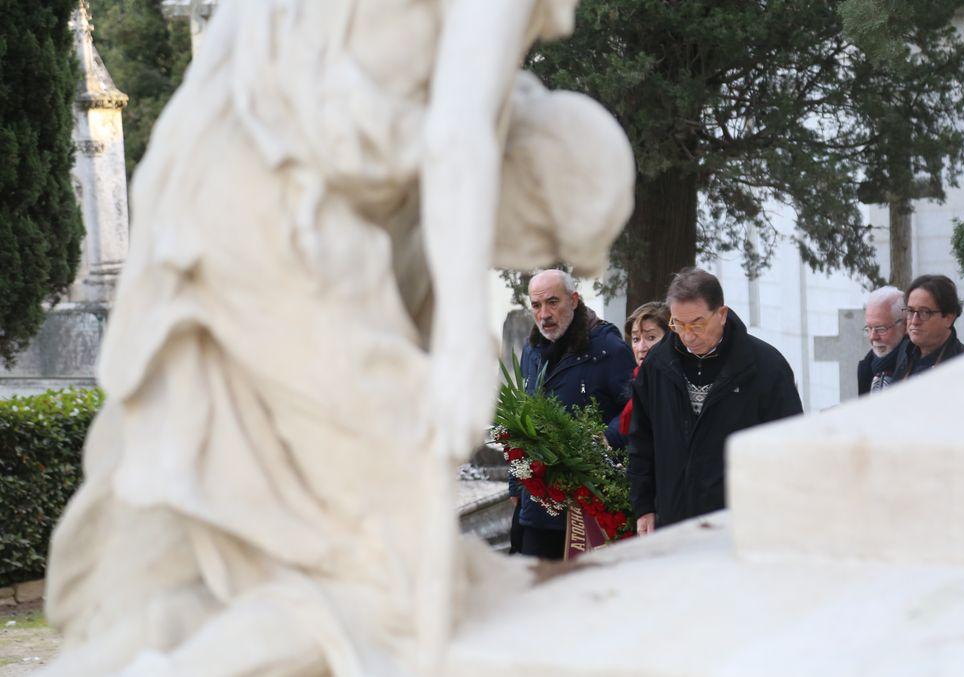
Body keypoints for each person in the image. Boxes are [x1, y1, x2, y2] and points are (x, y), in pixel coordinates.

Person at [39, 1, 636, 674]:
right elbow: (457, 135)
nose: (524, 250)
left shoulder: (401, 195)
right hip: (275, 209)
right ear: (533, 177)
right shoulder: (432, 151)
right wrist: (468, 345)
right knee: (383, 567)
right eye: (547, 235)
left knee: (292, 531)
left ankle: (179, 627)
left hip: (217, 183)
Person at [628, 268, 803, 535]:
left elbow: (788, 448)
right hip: (675, 520)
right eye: (677, 324)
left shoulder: (766, 367)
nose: (687, 335)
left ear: (721, 314)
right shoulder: (657, 365)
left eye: (697, 324)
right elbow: (642, 440)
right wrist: (644, 506)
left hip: (741, 523)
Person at [509, 269, 635, 559]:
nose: (544, 314)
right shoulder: (532, 349)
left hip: (589, 507)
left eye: (553, 302)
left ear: (575, 300)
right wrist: (515, 481)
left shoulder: (608, 349)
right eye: (537, 305)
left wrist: (606, 438)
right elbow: (522, 416)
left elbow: (637, 411)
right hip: (537, 504)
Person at [893, 274, 964, 380]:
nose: (914, 321)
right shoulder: (904, 352)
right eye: (910, 311)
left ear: (948, 318)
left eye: (925, 312)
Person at [618, 301, 671, 435]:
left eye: (651, 337)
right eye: (636, 339)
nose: (641, 348)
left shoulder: (673, 384)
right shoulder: (639, 381)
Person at [857, 286, 908, 395]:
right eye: (869, 328)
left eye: (881, 329)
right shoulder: (867, 367)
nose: (873, 337)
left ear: (905, 325)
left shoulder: (916, 367)